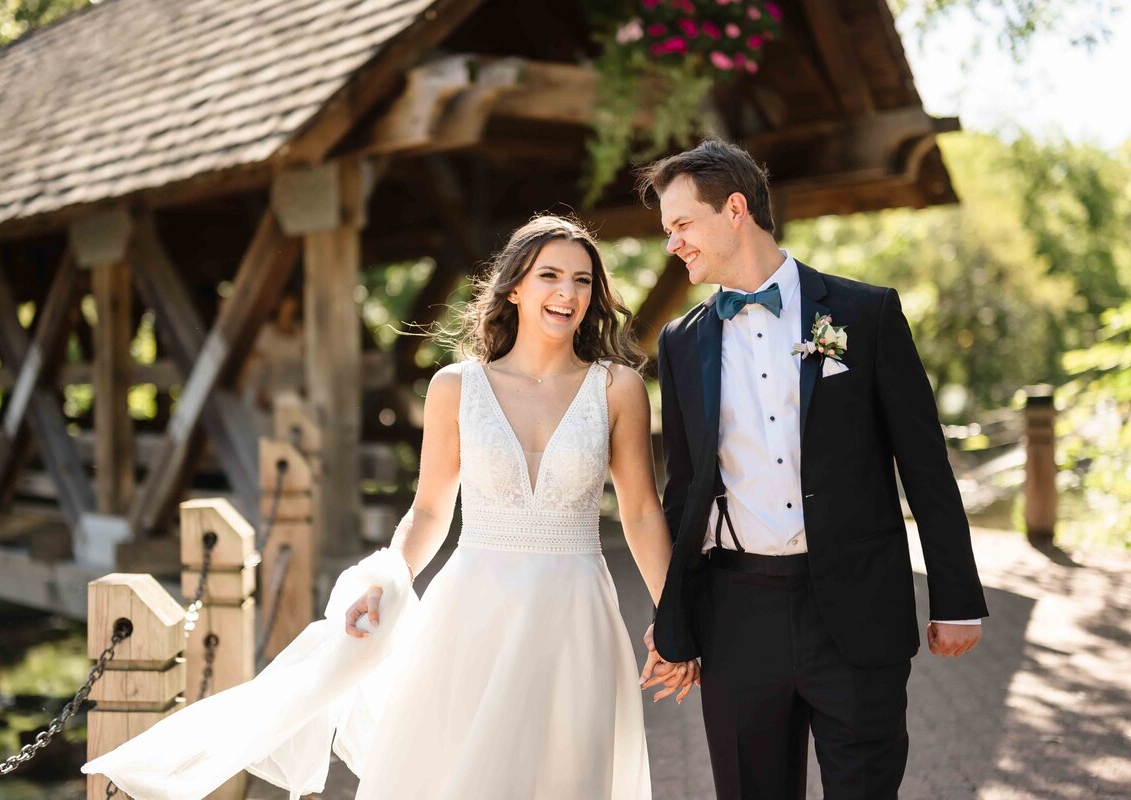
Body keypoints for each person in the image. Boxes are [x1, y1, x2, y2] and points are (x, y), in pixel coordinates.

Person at [83, 215, 697, 800]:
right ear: (513, 288)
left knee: (569, 777)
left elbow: (641, 511)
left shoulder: (615, 387)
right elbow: (430, 510)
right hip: (474, 610)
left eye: (583, 280)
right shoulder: (456, 387)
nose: (568, 293)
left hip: (576, 612)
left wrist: (677, 620)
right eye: (550, 276)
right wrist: (387, 579)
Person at [640, 140, 989, 800]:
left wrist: (958, 597)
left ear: (734, 209)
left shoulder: (862, 313)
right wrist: (675, 617)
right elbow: (683, 491)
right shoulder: (681, 343)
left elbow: (923, 464)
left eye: (682, 225)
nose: (673, 244)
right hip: (737, 617)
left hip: (856, 612)